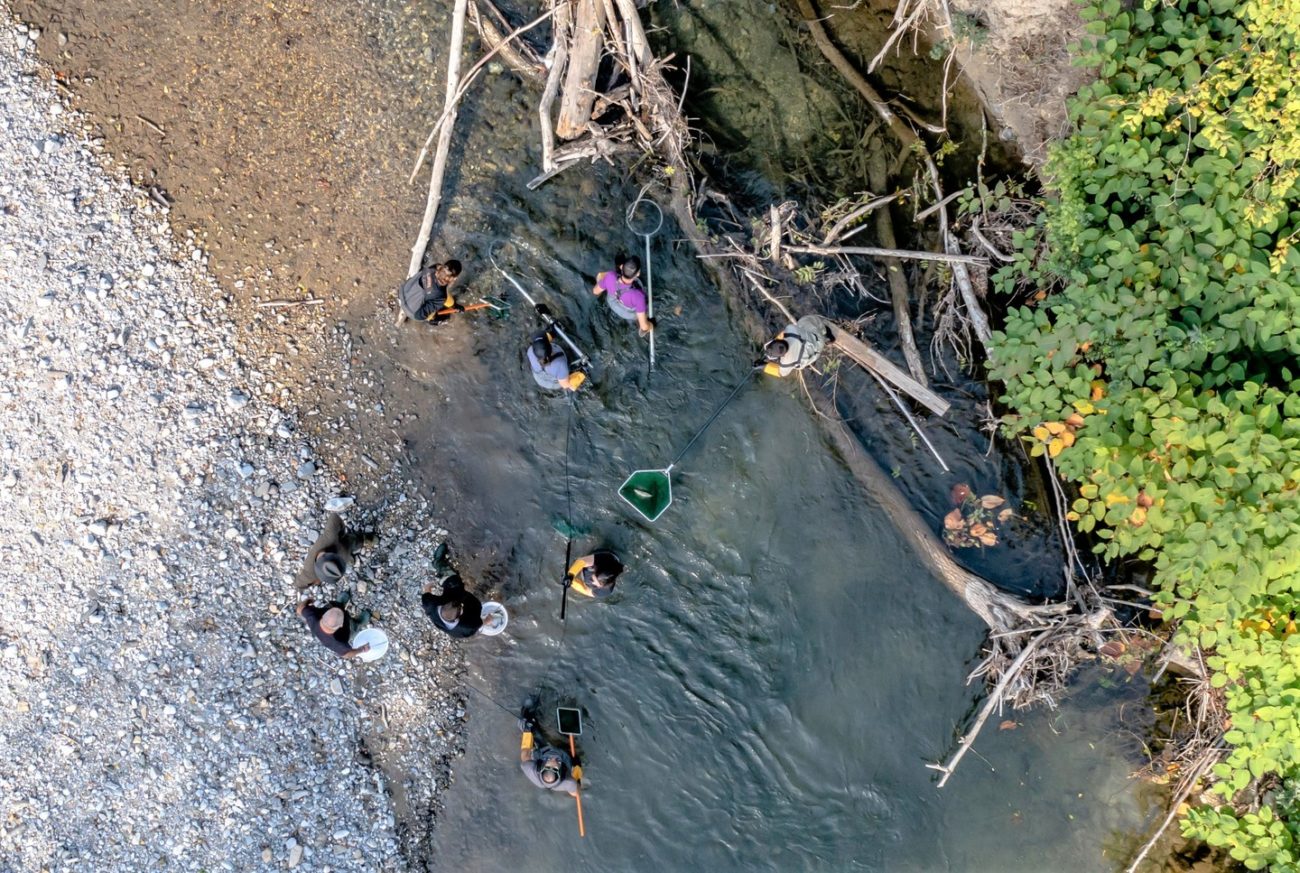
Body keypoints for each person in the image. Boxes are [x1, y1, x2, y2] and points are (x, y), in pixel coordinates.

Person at [294, 512, 375, 590]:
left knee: (351, 543)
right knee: (347, 546)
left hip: (341, 548)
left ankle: (363, 539)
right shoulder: (309, 570)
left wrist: (341, 530)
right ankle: (354, 540)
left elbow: (334, 517)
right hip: (337, 552)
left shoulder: (330, 537)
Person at [421, 544, 484, 638]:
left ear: (442, 606)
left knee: (454, 581)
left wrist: (430, 585)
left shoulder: (430, 605)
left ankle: (438, 563)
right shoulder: (466, 628)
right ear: (458, 617)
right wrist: (487, 621)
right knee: (475, 605)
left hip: (449, 596)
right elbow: (481, 625)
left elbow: (426, 589)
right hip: (472, 609)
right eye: (461, 608)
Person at [518, 714, 581, 796]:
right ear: (561, 772)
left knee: (530, 725)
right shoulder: (568, 783)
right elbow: (576, 793)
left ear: (540, 767)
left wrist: (527, 732)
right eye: (556, 764)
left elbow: (525, 756)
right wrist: (577, 773)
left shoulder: (529, 769)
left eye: (548, 763)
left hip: (544, 751)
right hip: (564, 755)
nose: (553, 760)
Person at [592, 254, 653, 336]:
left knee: (602, 276)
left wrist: (603, 281)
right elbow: (645, 327)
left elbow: (595, 292)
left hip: (612, 301)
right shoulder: (638, 296)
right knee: (646, 314)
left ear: (621, 267)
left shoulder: (610, 276)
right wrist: (651, 326)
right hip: (628, 314)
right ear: (638, 273)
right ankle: (638, 322)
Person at [297, 593, 371, 659]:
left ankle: (340, 603)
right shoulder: (337, 643)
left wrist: (308, 600)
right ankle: (359, 622)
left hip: (331, 608)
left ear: (323, 616)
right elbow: (346, 655)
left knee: (337, 605)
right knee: (354, 627)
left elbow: (299, 609)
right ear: (341, 625)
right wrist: (362, 649)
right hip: (347, 631)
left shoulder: (312, 617)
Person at [762, 314, 833, 377]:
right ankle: (827, 333)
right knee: (804, 320)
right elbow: (781, 336)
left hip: (815, 354)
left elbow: (781, 373)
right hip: (818, 340)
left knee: (797, 365)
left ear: (782, 356)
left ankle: (808, 363)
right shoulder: (790, 329)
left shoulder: (786, 363)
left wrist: (764, 366)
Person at [399, 259, 463, 323]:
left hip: (403, 292)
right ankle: (433, 319)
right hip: (412, 313)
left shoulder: (433, 268)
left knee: (438, 297)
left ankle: (453, 305)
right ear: (454, 278)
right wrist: (433, 315)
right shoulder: (441, 296)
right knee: (437, 313)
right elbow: (419, 316)